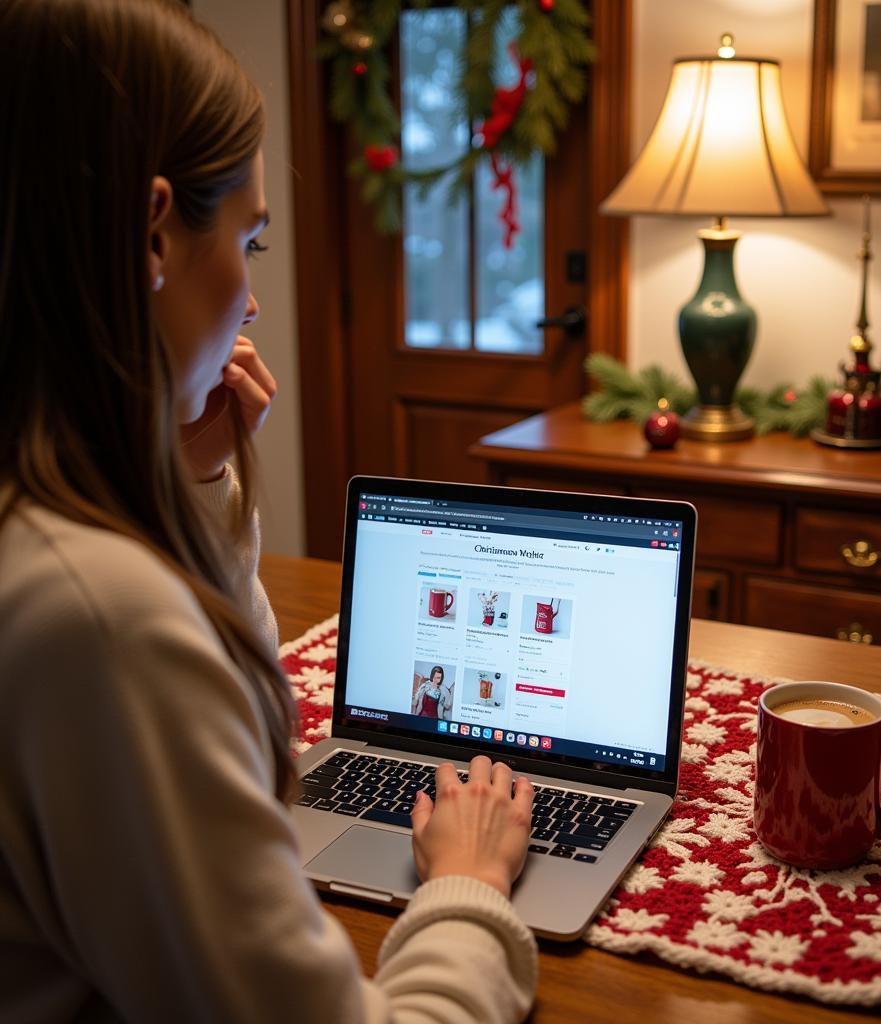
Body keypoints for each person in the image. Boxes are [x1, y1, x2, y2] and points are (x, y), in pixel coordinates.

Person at [0, 2, 536, 1021]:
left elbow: (241, 742)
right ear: (153, 230)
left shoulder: (57, 538)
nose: (250, 300)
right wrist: (468, 886)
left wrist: (193, 496)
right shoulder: (102, 617)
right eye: (248, 234)